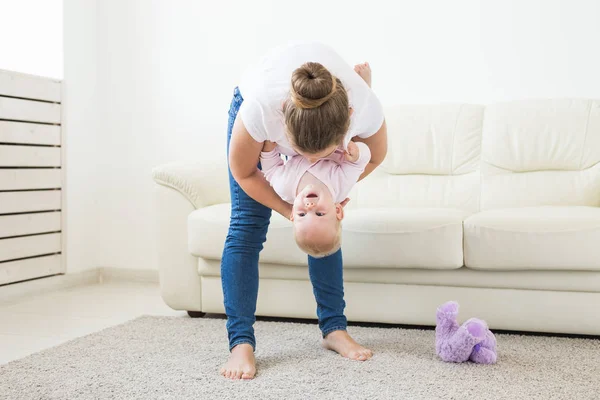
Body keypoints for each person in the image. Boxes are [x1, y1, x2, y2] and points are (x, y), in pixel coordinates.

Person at [221, 41, 387, 380]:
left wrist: (333, 197)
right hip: (266, 103)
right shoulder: (262, 110)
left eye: (322, 154)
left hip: (344, 103)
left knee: (322, 233)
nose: (312, 162)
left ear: (349, 123)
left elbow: (376, 155)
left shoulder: (363, 108)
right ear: (284, 127)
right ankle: (240, 342)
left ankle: (334, 328)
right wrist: (289, 210)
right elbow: (245, 171)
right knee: (247, 226)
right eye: (304, 152)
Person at [260, 139, 370, 257]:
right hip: (331, 134)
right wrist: (357, 154)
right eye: (319, 214)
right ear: (337, 210)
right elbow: (359, 163)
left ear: (292, 213)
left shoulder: (285, 189)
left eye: (302, 214)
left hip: (295, 137)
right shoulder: (340, 186)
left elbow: (271, 170)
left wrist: (269, 150)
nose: (310, 207)